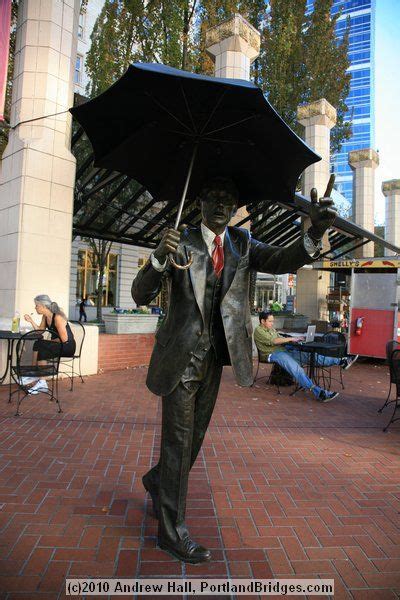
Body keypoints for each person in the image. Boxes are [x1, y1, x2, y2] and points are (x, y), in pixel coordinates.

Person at [131, 175, 337, 564]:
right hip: (180, 358)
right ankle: (172, 533)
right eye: (213, 196)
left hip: (215, 358)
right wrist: (159, 255)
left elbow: (282, 259)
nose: (222, 203)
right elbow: (140, 294)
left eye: (229, 198)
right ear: (200, 202)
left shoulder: (242, 244)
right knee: (177, 441)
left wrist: (315, 231)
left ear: (235, 204)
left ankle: (159, 481)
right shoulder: (181, 240)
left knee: (192, 440)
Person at [254, 311, 358, 401]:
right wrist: (291, 339)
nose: (272, 323)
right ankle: (319, 393)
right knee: (297, 369)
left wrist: (294, 337)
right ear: (263, 321)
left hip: (283, 350)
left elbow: (279, 337)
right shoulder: (259, 330)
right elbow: (274, 340)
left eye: (273, 321)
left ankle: (341, 361)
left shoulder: (271, 329)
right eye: (270, 321)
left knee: (309, 356)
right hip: (272, 354)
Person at [23, 295, 76, 394]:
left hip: (67, 346)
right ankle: (33, 373)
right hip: (58, 344)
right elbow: (40, 332)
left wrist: (48, 342)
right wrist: (31, 321)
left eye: (37, 306)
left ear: (43, 306)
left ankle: (42, 382)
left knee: (43, 348)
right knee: (38, 343)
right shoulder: (45, 316)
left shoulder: (58, 317)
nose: (35, 308)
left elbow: (64, 339)